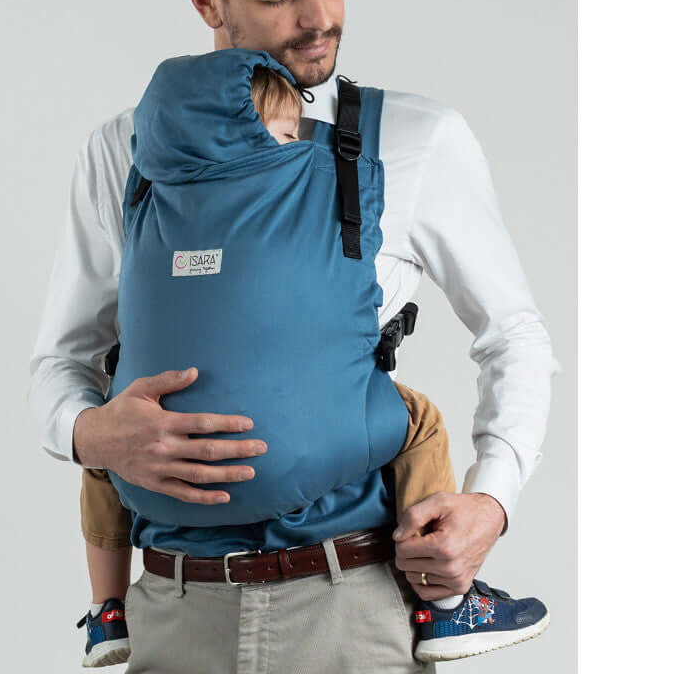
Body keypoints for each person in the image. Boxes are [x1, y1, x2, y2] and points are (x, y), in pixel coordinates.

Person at [28, 0, 561, 671]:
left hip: (354, 608)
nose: (319, 18)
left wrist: (492, 501)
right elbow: (60, 361)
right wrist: (87, 432)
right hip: (174, 606)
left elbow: (513, 333)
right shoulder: (124, 150)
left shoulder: (413, 139)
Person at [73, 64, 550, 667]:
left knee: (104, 442)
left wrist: (91, 432)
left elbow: (513, 334)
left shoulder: (147, 184)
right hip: (188, 598)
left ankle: (105, 611)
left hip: (296, 572)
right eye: (283, 134)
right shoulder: (308, 182)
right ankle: (446, 605)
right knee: (419, 419)